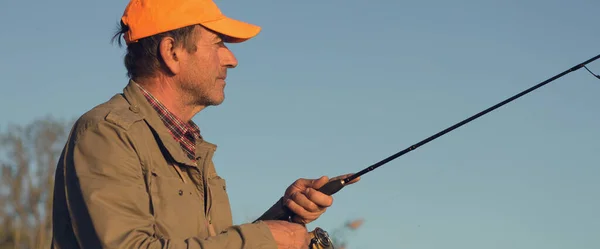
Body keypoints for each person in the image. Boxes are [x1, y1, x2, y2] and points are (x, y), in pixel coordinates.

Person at [50, 0, 359, 248]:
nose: (231, 59)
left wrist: (285, 215)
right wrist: (265, 239)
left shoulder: (189, 144)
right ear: (171, 52)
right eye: (217, 43)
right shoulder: (108, 133)